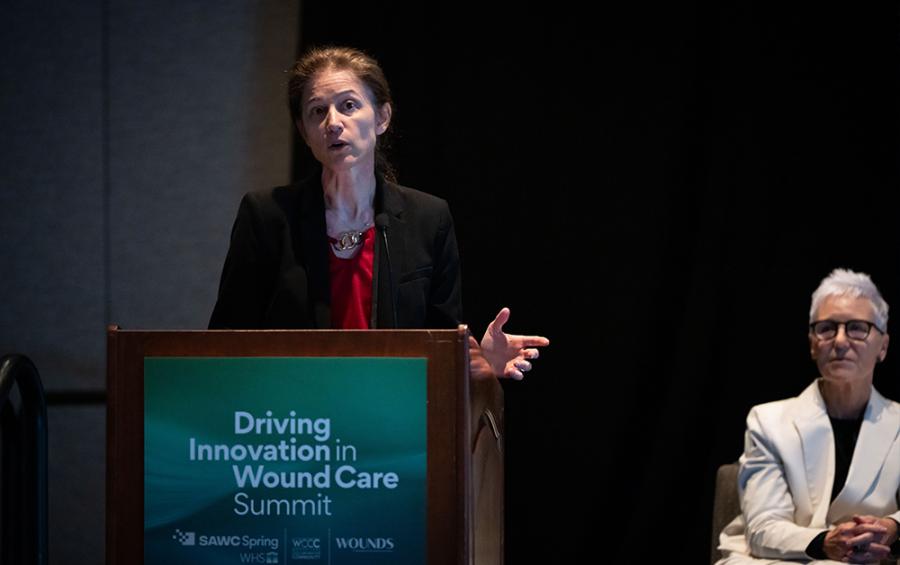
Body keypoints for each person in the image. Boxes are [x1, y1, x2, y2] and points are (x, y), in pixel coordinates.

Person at [209, 45, 548, 379]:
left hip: (390, 417)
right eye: (317, 111)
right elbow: (226, 340)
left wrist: (477, 359)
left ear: (382, 117)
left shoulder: (428, 219)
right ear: (304, 132)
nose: (332, 122)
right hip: (293, 417)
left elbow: (441, 343)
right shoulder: (267, 216)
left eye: (349, 105)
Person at [716, 268, 900, 564]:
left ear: (883, 346)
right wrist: (826, 542)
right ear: (813, 344)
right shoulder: (768, 421)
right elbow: (764, 527)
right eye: (827, 328)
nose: (840, 341)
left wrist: (893, 528)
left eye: (857, 328)